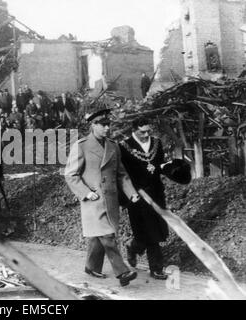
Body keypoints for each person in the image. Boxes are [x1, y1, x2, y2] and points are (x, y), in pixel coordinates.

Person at [64, 109, 140, 287]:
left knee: (97, 236)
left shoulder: (113, 146)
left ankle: (91, 266)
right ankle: (122, 272)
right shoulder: (81, 145)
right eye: (103, 125)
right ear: (93, 125)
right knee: (107, 236)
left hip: (111, 199)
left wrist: (132, 193)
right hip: (94, 199)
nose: (107, 128)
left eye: (109, 124)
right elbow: (71, 174)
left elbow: (122, 174)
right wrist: (85, 192)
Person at [119, 117, 170, 280]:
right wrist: (126, 197)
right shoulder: (124, 147)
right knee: (146, 232)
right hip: (137, 195)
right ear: (133, 130)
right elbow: (122, 175)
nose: (146, 134)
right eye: (142, 132)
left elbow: (160, 164)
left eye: (148, 131)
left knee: (156, 230)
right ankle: (148, 260)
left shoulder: (156, 143)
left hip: (156, 193)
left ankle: (142, 255)